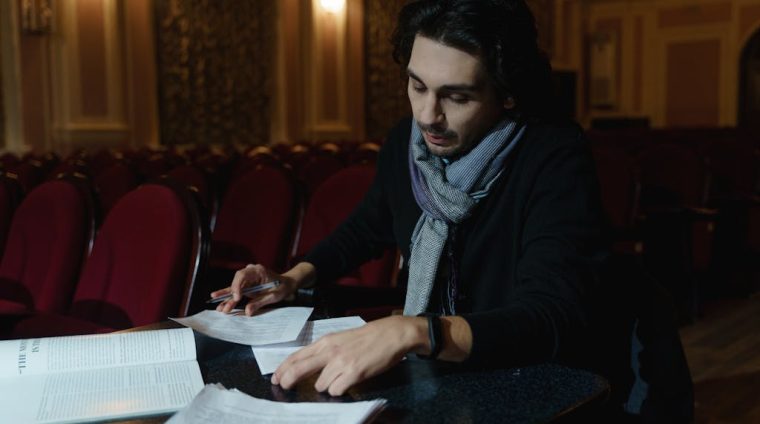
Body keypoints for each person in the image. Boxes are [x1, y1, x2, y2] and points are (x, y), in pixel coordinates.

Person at [211, 0, 693, 421]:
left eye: (455, 96)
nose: (427, 115)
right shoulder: (407, 142)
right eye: (417, 86)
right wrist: (291, 278)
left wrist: (416, 331)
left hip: (549, 376)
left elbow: (551, 318)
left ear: (507, 94)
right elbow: (371, 222)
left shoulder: (553, 156)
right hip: (451, 371)